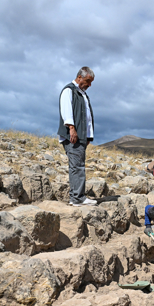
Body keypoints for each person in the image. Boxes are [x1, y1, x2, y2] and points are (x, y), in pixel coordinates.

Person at [58, 67, 97, 206]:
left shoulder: (82, 94)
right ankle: (77, 198)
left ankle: (77, 197)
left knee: (78, 165)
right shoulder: (69, 90)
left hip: (80, 135)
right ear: (79, 77)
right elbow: (66, 110)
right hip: (73, 135)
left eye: (91, 82)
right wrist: (72, 129)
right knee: (77, 166)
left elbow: (86, 117)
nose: (89, 85)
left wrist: (88, 136)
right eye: (87, 81)